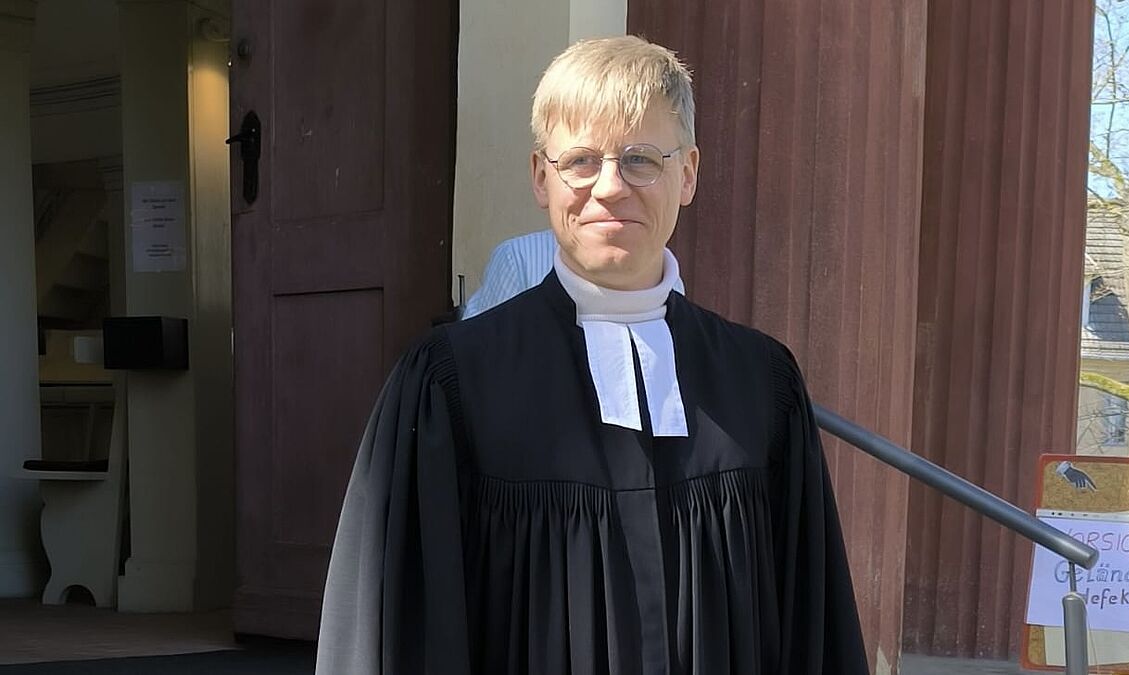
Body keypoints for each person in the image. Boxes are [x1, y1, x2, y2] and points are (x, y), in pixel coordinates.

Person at [316, 35, 868, 675]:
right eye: (580, 161)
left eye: (641, 159)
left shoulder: (761, 384)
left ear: (687, 174)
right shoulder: (452, 384)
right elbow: (399, 632)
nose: (610, 187)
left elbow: (812, 630)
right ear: (539, 177)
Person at [462, 228, 685, 319]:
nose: (610, 188)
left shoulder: (664, 275)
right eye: (582, 161)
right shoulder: (519, 259)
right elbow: (478, 362)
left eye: (636, 160)